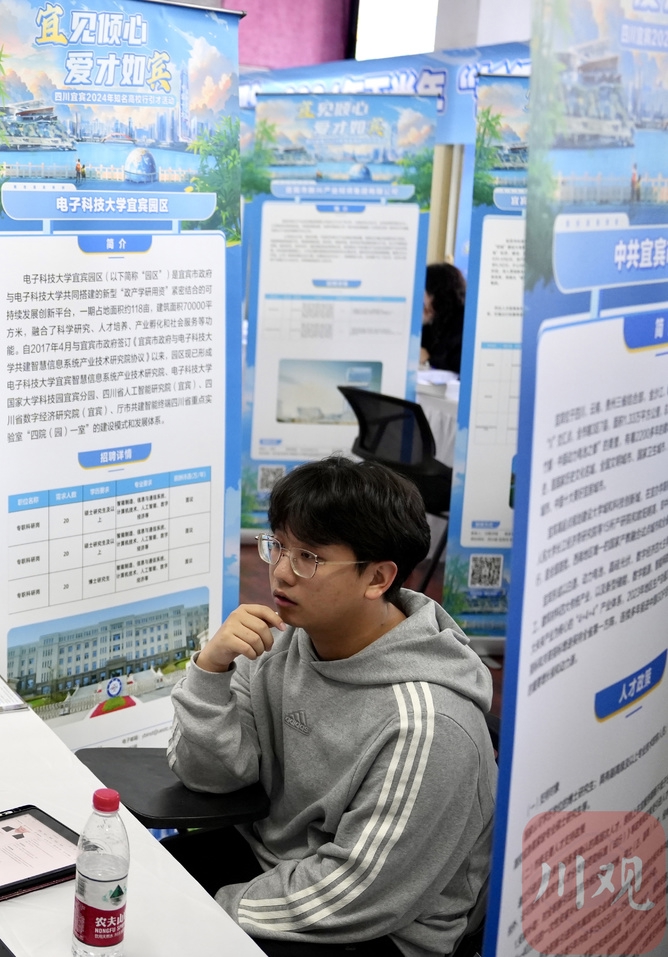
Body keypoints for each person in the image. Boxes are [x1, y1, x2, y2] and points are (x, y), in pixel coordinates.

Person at [165, 457, 495, 957]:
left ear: (377, 578)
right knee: (125, 886)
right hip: (275, 863)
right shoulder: (279, 644)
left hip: (379, 928)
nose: (280, 572)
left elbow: (359, 892)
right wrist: (210, 671)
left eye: (309, 558)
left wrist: (208, 912)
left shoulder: (428, 723)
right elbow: (212, 778)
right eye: (279, 546)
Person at [419, 263, 466, 373]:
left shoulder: (462, 321)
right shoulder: (435, 317)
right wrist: (422, 323)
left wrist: (428, 360)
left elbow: (458, 363)